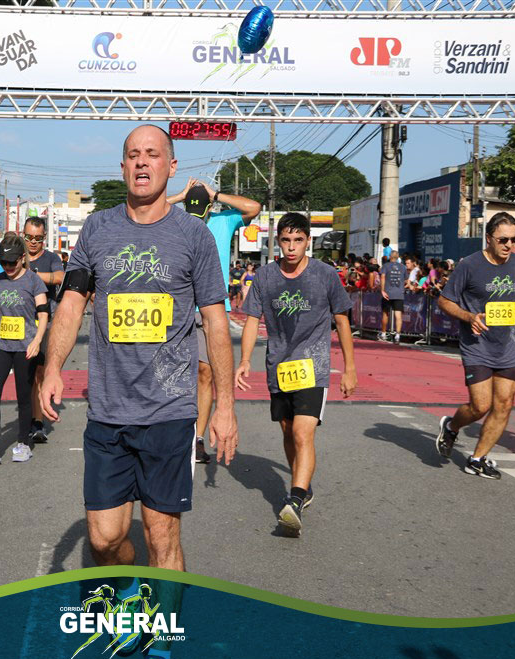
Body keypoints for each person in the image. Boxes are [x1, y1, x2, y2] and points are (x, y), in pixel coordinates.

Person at [40, 124, 237, 574]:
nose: (142, 162)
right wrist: (53, 368)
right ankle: (130, 586)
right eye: (133, 155)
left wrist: (225, 405)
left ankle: (163, 619)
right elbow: (71, 304)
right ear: (123, 166)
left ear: (172, 166)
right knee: (104, 539)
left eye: (152, 153)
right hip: (108, 411)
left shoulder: (194, 236)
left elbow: (215, 322)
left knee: (160, 537)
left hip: (169, 411)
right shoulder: (97, 228)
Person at [235, 212, 357, 535]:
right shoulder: (265, 277)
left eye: (298, 240)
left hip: (313, 367)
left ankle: (296, 499)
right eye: (286, 240)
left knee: (303, 433)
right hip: (279, 367)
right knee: (288, 432)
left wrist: (349, 368)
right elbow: (252, 321)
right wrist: (244, 360)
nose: (292, 247)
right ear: (278, 241)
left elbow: (342, 321)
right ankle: (303, 486)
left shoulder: (325, 275)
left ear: (308, 241)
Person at [434, 213, 515, 479]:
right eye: (503, 239)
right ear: (488, 238)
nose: (509, 245)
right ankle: (451, 426)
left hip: (508, 346)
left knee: (505, 404)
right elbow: (444, 301)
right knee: (481, 405)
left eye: (514, 239)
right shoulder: (469, 265)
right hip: (477, 345)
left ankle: (477, 459)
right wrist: (469, 317)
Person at [166, 178, 260, 464]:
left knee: (205, 372)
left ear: (210, 207)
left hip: (213, 306)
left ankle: (197, 438)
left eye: (201, 209)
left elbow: (254, 207)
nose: (198, 215)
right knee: (172, 373)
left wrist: (215, 194)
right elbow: (142, 209)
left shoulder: (223, 220)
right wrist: (180, 196)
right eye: (191, 209)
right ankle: (170, 432)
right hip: (176, 306)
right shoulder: (176, 220)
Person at [0, 233, 49, 469]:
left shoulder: (33, 281)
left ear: (21, 259)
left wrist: (37, 340)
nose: (8, 267)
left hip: (25, 347)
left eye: (12, 262)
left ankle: (23, 443)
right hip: (1, 345)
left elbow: (43, 314)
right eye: (4, 262)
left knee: (23, 396)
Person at [22, 216, 65, 445]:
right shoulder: (16, 257)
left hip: (45, 324)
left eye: (38, 238)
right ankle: (28, 416)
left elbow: (59, 277)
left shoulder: (51, 258)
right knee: (24, 375)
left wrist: (34, 276)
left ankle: (37, 422)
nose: (33, 242)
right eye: (29, 237)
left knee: (39, 373)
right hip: (20, 324)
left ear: (44, 238)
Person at [380, 251, 405, 343]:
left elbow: (382, 277)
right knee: (398, 314)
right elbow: (405, 279)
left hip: (387, 293)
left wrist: (382, 290)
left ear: (390, 257)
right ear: (398, 257)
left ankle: (383, 334)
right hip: (399, 293)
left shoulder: (386, 266)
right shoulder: (403, 267)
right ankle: (397, 335)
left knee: (385, 313)